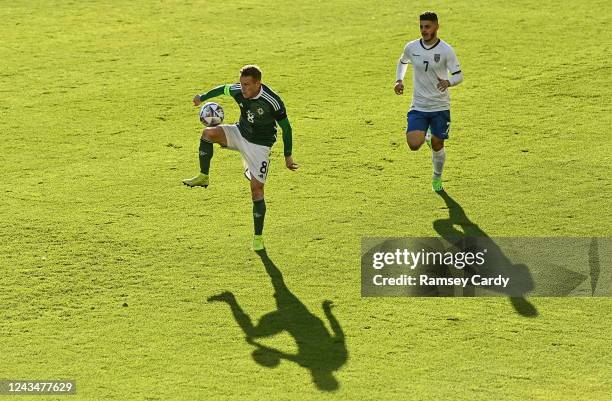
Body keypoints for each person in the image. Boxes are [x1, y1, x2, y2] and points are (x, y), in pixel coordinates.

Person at [183, 65, 298, 250]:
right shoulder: (239, 90)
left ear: (257, 83)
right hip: (239, 132)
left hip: (259, 146)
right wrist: (202, 97)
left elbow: (287, 128)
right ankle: (204, 176)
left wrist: (288, 156)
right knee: (208, 134)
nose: (242, 88)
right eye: (241, 84)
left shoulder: (272, 101)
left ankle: (258, 239)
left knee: (257, 191)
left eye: (246, 85)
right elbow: (223, 89)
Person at [394, 11, 463, 192]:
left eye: (427, 27)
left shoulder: (446, 50)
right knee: (414, 144)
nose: (424, 31)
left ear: (436, 27)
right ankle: (426, 135)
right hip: (419, 105)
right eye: (421, 27)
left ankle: (437, 178)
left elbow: (459, 76)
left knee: (438, 144)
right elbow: (402, 62)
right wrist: (399, 80)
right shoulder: (412, 47)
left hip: (440, 106)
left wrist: (448, 82)